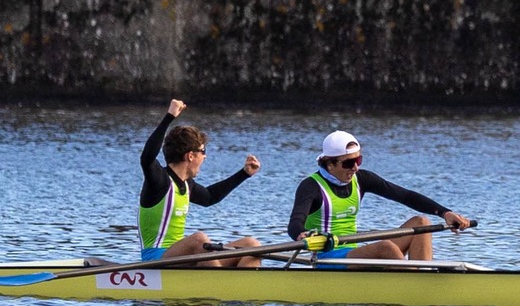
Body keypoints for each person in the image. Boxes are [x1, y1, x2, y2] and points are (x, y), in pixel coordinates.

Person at [287, 131, 474, 264]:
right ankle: (415, 285)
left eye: (358, 160)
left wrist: (444, 213)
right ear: (329, 164)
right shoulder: (311, 186)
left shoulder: (362, 179)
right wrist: (302, 234)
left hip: (353, 252)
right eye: (349, 163)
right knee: (386, 247)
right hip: (327, 256)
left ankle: (421, 279)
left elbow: (405, 196)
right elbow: (295, 223)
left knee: (422, 223)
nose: (355, 168)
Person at [136, 98, 265, 267]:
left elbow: (210, 197)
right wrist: (169, 116)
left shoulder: (187, 185)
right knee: (199, 240)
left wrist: (244, 174)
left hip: (181, 258)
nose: (205, 156)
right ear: (190, 156)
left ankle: (244, 289)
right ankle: (221, 286)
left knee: (251, 245)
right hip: (156, 261)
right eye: (203, 151)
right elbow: (147, 158)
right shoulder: (159, 181)